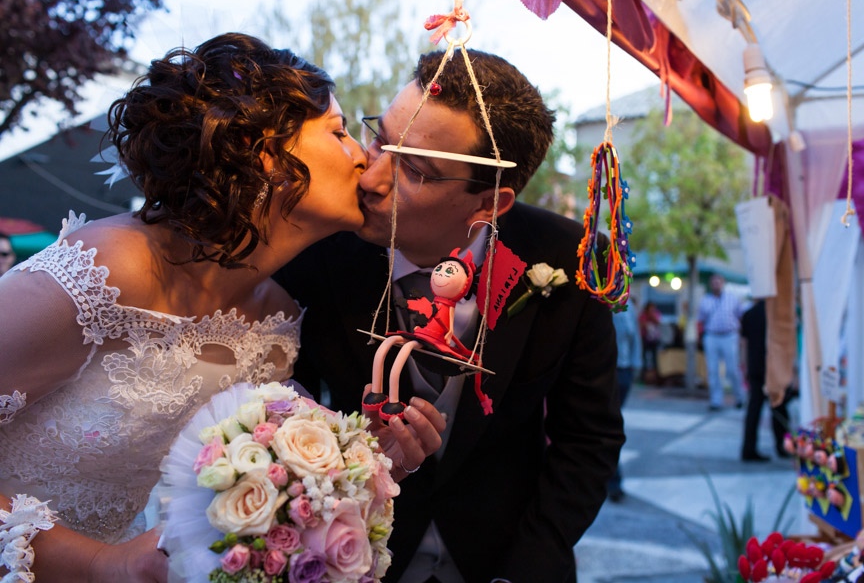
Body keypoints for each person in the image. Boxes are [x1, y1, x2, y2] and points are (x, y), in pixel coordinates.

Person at [0, 33, 443, 583]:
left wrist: (360, 467)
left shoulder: (274, 326)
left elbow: (215, 491)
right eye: (340, 131)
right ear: (267, 154)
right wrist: (100, 563)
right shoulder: (101, 275)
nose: (362, 156)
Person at [276, 48, 625, 583]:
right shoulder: (321, 245)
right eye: (378, 137)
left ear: (489, 205)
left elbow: (588, 439)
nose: (372, 178)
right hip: (351, 557)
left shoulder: (567, 258)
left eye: (414, 169)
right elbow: (283, 403)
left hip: (507, 556)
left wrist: (528, 565)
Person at [739, 299, 791, 462]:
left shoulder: (749, 314)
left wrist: (745, 365)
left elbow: (743, 344)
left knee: (754, 409)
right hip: (774, 366)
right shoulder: (777, 315)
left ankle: (749, 447)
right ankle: (782, 446)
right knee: (778, 407)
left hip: (755, 366)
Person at [696, 273, 746, 411]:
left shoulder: (733, 299)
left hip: (729, 336)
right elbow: (701, 320)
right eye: (713, 282)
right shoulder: (705, 300)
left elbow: (740, 317)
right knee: (713, 370)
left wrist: (741, 337)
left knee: (732, 369)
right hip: (712, 336)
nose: (716, 285)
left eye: (718, 282)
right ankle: (716, 400)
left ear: (723, 283)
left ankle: (739, 397)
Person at [609, 298, 641, 501]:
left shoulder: (627, 307)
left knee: (610, 424)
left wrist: (635, 367)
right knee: (609, 425)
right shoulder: (599, 302)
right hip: (607, 371)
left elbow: (635, 338)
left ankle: (612, 481)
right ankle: (612, 482)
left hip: (623, 372)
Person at [638, 301, 662, 382]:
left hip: (654, 339)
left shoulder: (656, 314)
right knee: (644, 357)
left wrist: (652, 316)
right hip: (645, 339)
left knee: (655, 358)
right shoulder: (643, 315)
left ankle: (656, 377)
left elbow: (658, 322)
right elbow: (640, 324)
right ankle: (644, 376)